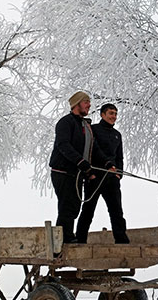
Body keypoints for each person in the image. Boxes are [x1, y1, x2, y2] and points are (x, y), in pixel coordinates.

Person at [49, 91, 114, 244]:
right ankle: (64, 240)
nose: (89, 105)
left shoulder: (85, 125)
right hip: (63, 172)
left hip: (77, 173)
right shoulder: (65, 122)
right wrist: (80, 161)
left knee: (75, 206)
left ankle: (67, 237)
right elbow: (63, 145)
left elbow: (94, 148)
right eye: (86, 102)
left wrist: (107, 163)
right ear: (77, 104)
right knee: (67, 206)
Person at [75, 103, 130, 244]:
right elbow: (91, 152)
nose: (114, 117)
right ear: (102, 114)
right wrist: (90, 174)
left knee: (117, 211)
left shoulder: (117, 135)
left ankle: (121, 240)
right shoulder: (93, 130)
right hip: (95, 177)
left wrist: (119, 174)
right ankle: (80, 240)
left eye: (116, 114)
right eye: (111, 113)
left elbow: (119, 157)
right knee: (88, 210)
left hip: (112, 178)